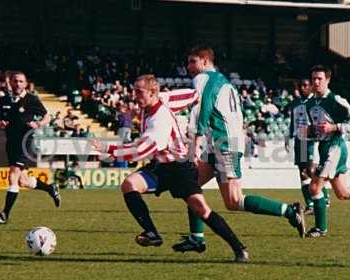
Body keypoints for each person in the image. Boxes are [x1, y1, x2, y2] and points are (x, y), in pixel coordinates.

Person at [91, 74, 249, 262]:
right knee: (129, 184)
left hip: (179, 169)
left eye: (139, 92)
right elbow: (192, 95)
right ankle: (151, 233)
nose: (135, 96)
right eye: (134, 91)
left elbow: (142, 149)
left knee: (202, 210)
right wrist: (197, 99)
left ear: (153, 92)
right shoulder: (159, 101)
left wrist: (108, 149)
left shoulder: (160, 120)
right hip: (160, 167)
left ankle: (239, 249)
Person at [172, 46, 305, 253]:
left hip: (224, 145)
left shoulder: (204, 78)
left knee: (234, 201)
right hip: (222, 142)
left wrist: (194, 146)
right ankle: (197, 238)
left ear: (205, 61)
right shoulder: (224, 82)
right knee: (190, 184)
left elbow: (202, 110)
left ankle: (290, 211)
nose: (188, 67)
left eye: (192, 61)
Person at [0, 71, 61, 225]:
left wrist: (39, 124)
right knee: (23, 181)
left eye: (21, 81)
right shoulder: (5, 99)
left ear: (26, 84)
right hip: (11, 142)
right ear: (11, 82)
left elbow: (47, 116)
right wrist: (0, 122)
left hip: (25, 143)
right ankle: (50, 188)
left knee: (13, 175)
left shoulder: (31, 99)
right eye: (15, 81)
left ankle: (4, 215)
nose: (18, 84)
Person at [304, 65, 350, 237]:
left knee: (314, 188)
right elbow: (316, 131)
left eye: (320, 78)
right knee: (343, 193)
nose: (316, 82)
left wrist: (334, 127)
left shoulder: (335, 100)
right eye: (313, 78)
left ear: (328, 80)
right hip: (324, 148)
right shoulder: (309, 103)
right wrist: (310, 132)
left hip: (335, 148)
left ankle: (320, 228)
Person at [285, 78, 329, 215]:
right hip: (299, 141)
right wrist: (288, 138)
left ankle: (325, 197)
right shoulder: (296, 103)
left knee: (311, 170)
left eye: (305, 85)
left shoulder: (315, 102)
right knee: (302, 173)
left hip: (310, 141)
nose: (303, 87)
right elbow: (293, 121)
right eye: (301, 85)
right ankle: (310, 204)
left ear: (310, 87)